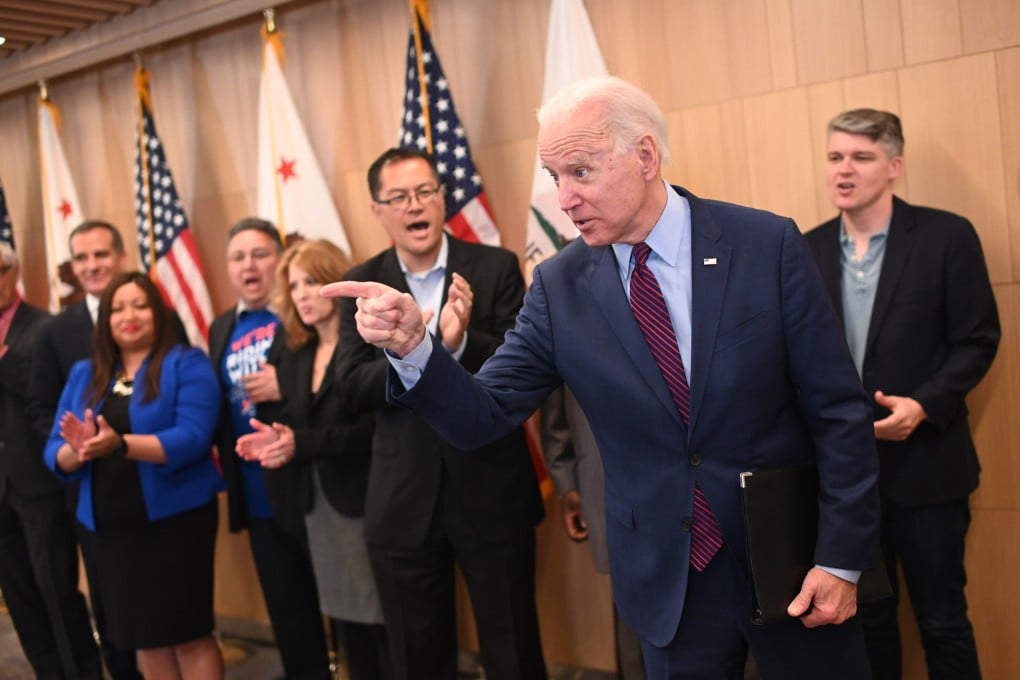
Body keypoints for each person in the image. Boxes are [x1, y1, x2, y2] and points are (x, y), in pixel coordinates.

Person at [325, 76, 880, 679]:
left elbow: (839, 411)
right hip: (669, 581)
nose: (563, 199)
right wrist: (414, 348)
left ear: (644, 156)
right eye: (554, 177)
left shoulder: (763, 244)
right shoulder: (559, 289)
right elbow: (482, 415)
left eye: (580, 173)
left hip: (793, 561)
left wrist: (841, 559)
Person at [334, 148, 546, 680]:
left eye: (425, 192)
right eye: (399, 197)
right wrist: (417, 354)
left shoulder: (494, 267)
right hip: (404, 499)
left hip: (491, 490)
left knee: (513, 649)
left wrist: (456, 346)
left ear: (442, 199)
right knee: (417, 658)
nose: (415, 206)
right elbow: (350, 385)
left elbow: (521, 366)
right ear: (378, 210)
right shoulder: (363, 284)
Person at [805, 109, 1000, 680]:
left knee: (943, 622)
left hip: (929, 468)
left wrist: (925, 404)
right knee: (866, 624)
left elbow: (977, 339)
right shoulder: (807, 248)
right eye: (835, 156)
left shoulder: (946, 236)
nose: (845, 170)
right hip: (844, 480)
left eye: (861, 157)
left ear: (894, 165)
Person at [43, 272, 224, 678]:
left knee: (188, 633)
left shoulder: (186, 363)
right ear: (104, 319)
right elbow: (54, 449)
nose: (130, 315)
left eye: (140, 305)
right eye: (119, 307)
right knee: (145, 637)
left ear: (158, 313)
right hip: (111, 529)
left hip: (175, 524)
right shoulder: (84, 373)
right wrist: (81, 448)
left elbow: (193, 437)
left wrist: (119, 444)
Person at [236, 239, 391, 680]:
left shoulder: (367, 342)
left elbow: (374, 431)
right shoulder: (293, 350)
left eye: (311, 282)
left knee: (381, 621)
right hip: (317, 505)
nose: (301, 294)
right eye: (294, 285)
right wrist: (274, 440)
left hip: (367, 500)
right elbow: (286, 420)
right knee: (346, 624)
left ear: (336, 282)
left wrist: (299, 443)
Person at [26, 219, 159, 680]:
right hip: (92, 492)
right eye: (81, 258)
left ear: (121, 256)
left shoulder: (159, 313)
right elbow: (41, 408)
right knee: (112, 606)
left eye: (101, 255)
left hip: (156, 486)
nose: (92, 265)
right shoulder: (55, 330)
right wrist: (73, 442)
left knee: (162, 608)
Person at [209, 217, 331, 679]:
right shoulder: (222, 326)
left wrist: (288, 382)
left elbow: (332, 383)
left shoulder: (302, 313)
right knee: (288, 610)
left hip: (312, 486)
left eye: (260, 253)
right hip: (258, 495)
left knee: (340, 602)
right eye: (238, 257)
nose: (249, 265)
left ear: (279, 259)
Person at [0, 242, 102, 678]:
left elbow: (50, 401)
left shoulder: (43, 327)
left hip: (39, 484)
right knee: (19, 594)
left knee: (56, 590)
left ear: (14, 272)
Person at [541, 386, 646, 680]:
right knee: (632, 623)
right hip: (606, 487)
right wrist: (568, 485)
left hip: (695, 494)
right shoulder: (566, 337)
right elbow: (557, 413)